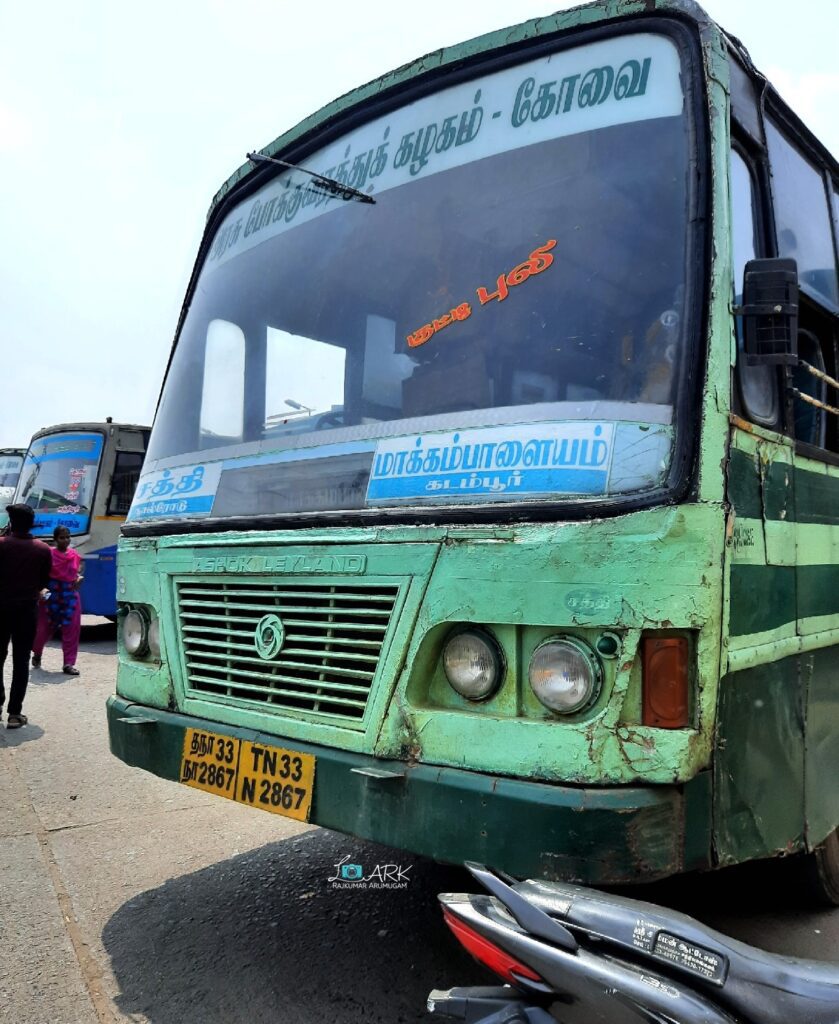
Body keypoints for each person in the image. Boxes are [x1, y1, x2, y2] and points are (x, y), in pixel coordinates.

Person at [0, 504, 52, 728]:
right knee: (21, 662)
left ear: (10, 523)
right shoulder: (42, 549)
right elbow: (43, 583)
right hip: (26, 611)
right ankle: (14, 714)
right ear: (32, 523)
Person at [32, 525, 84, 676]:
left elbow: (75, 574)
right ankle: (37, 652)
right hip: (50, 598)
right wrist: (40, 590)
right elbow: (40, 574)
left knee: (71, 630)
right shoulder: (48, 554)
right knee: (43, 630)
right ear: (55, 539)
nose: (66, 540)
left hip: (70, 598)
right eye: (62, 537)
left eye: (68, 537)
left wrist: (79, 578)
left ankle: (68, 663)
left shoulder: (74, 554)